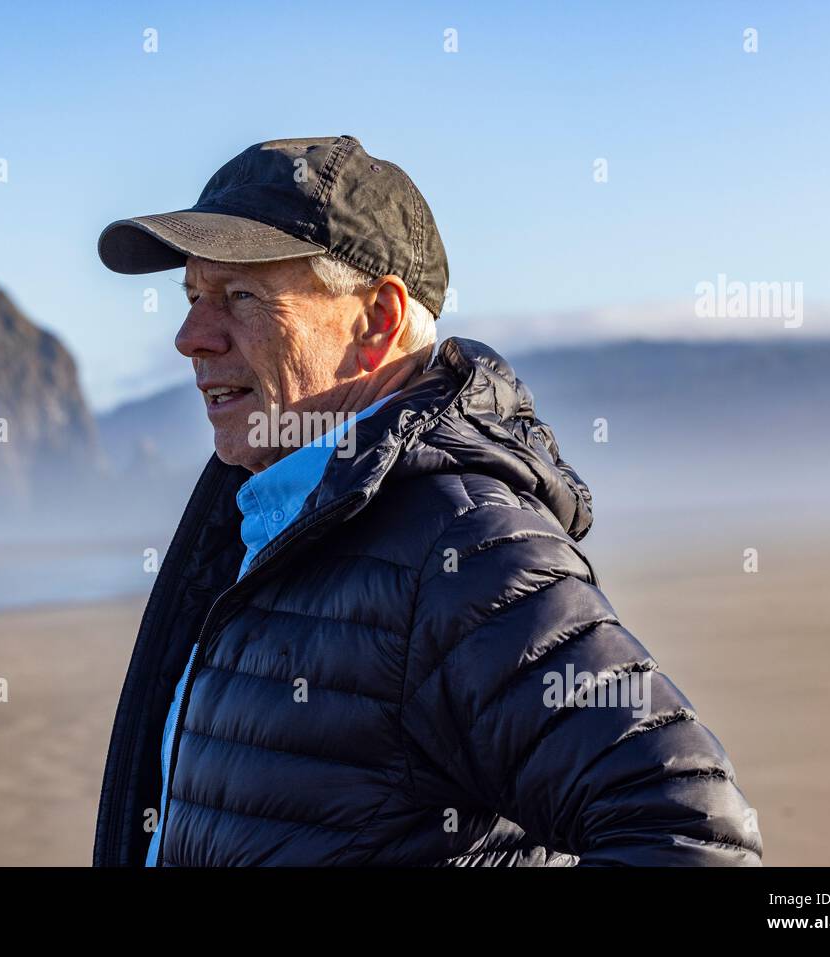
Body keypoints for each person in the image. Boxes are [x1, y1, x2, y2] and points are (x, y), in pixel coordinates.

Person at [92, 135, 762, 866]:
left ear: (378, 320)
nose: (191, 337)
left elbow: (695, 836)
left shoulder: (464, 546)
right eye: (192, 297)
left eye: (242, 296)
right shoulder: (268, 519)